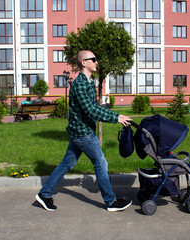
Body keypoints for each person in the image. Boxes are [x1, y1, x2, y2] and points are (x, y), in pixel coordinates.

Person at [36, 50, 133, 212]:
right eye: (93, 59)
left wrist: (117, 115)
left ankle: (44, 194)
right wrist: (116, 118)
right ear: (83, 62)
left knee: (67, 163)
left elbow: (94, 107)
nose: (96, 62)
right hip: (83, 133)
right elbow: (91, 111)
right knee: (101, 163)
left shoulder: (88, 82)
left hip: (80, 131)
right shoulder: (80, 84)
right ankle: (110, 201)